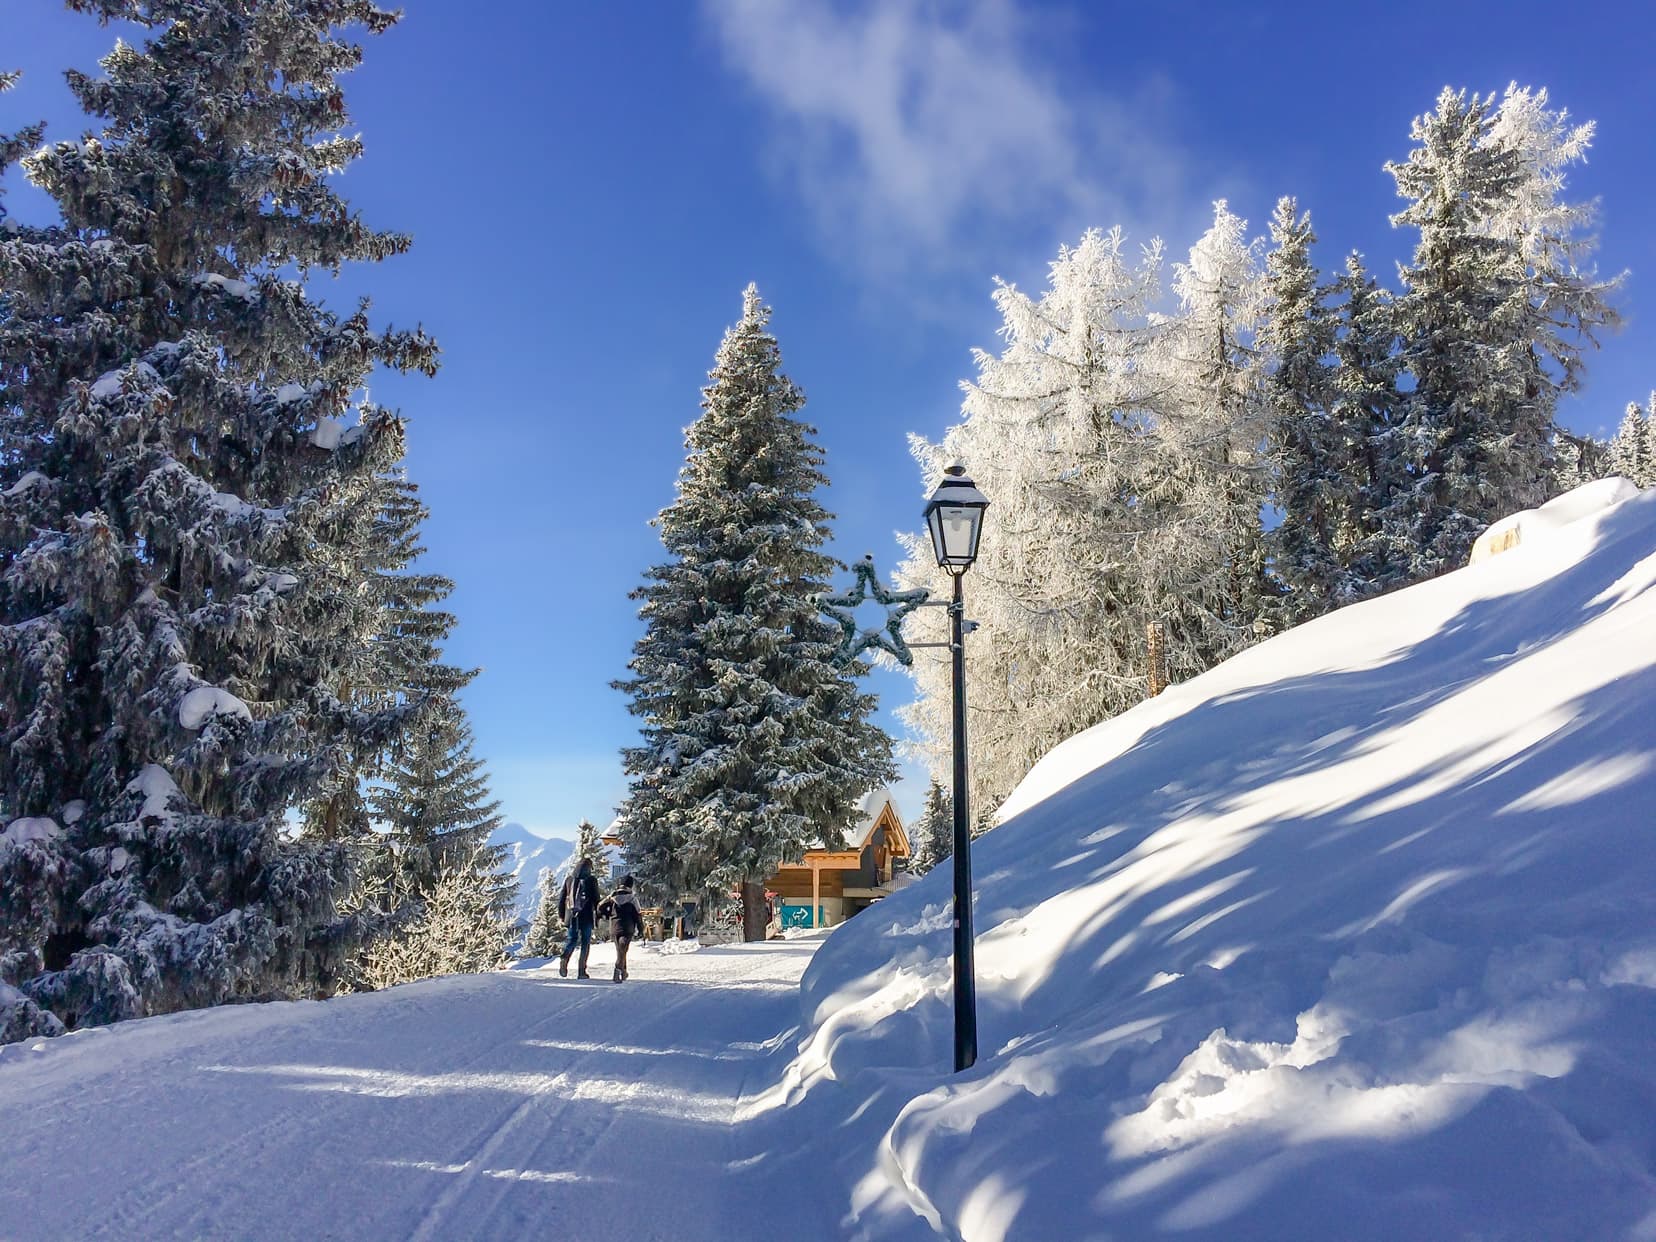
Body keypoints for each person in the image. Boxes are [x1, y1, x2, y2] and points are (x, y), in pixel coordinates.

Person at [558, 857, 601, 979]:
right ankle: (581, 971)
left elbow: (561, 899)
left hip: (571, 916)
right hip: (586, 916)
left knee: (572, 939)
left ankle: (564, 958)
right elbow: (596, 899)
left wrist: (562, 915)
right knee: (585, 943)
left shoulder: (569, 880)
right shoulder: (591, 880)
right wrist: (597, 916)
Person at [596, 875, 645, 982]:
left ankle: (623, 971)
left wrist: (607, 914)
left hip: (614, 927)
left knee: (620, 949)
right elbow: (638, 915)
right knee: (623, 950)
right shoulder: (632, 899)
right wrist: (641, 929)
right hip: (627, 928)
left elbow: (600, 907)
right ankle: (618, 969)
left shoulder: (612, 897)